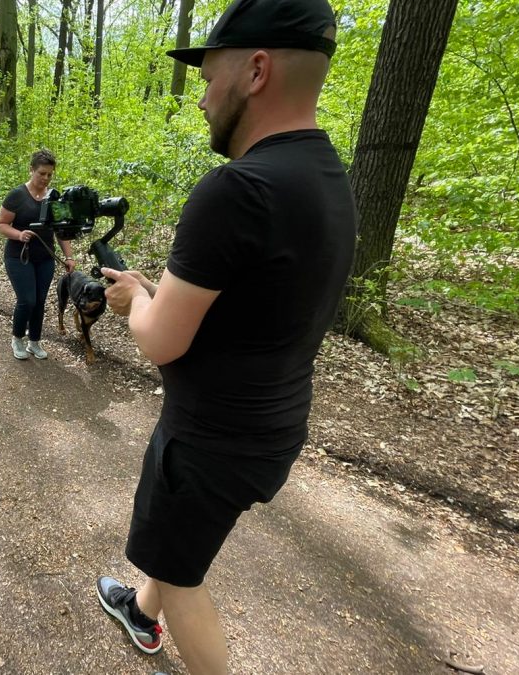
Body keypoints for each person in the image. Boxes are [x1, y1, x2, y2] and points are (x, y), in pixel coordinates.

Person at [92, 1, 357, 672]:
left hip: (208, 443)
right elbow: (255, 302)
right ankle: (137, 609)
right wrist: (164, 295)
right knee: (178, 546)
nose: (201, 99)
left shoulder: (235, 190)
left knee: (180, 574)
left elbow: (159, 342)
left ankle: (159, 612)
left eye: (210, 77)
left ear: (257, 70)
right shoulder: (327, 177)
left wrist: (135, 298)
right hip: (272, 426)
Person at [0, 149, 76, 360]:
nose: (45, 178)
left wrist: (69, 257)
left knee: (40, 300)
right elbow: (2, 225)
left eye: (49, 174)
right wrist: (19, 234)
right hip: (18, 256)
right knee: (27, 299)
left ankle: (34, 341)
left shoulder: (55, 197)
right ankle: (17, 338)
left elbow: (62, 230)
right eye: (41, 173)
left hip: (45, 257)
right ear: (31, 170)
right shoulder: (17, 195)